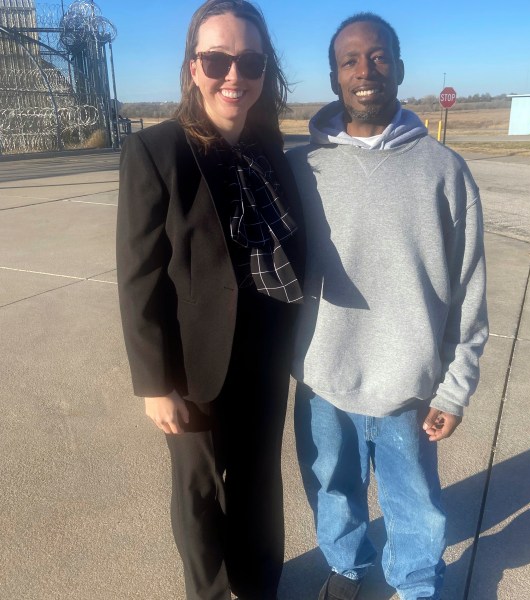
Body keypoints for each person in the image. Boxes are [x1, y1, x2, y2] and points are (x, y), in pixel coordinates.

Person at [286, 12, 488, 600]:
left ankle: (418, 585)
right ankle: (348, 569)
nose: (364, 70)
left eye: (377, 57)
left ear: (398, 68)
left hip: (410, 384)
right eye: (349, 60)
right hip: (325, 378)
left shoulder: (445, 172)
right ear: (333, 77)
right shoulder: (302, 169)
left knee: (415, 501)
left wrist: (455, 387)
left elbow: (469, 289)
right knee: (331, 486)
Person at [116, 2, 304, 599]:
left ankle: (258, 586)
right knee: (201, 492)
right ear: (193, 67)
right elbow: (138, 275)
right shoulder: (156, 152)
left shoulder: (273, 145)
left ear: (264, 69)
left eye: (249, 60)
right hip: (192, 363)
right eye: (217, 58)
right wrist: (153, 383)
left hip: (266, 352)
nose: (234, 74)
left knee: (258, 482)